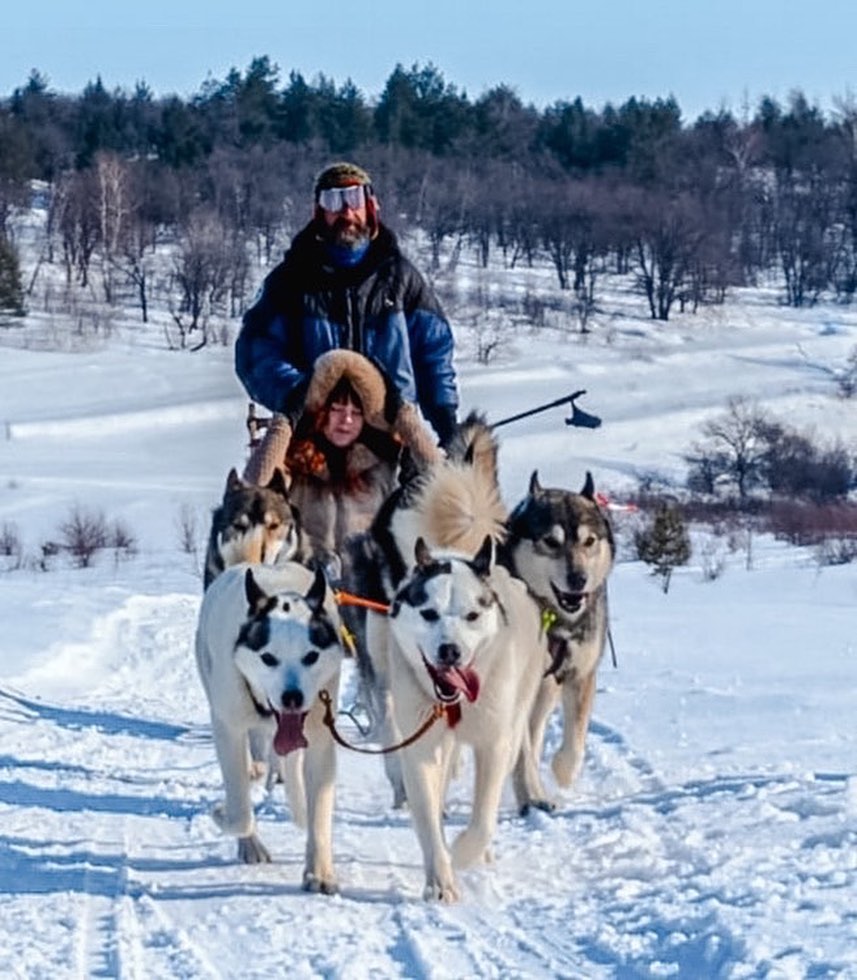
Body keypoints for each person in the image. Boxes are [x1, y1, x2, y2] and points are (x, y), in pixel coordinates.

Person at [235, 161, 459, 451]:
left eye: (354, 198)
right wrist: (300, 392)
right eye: (332, 200)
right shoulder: (290, 281)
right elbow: (255, 353)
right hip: (314, 439)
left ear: (370, 207)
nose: (345, 211)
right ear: (319, 212)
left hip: (391, 436)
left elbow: (434, 353)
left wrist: (445, 419)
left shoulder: (401, 278)